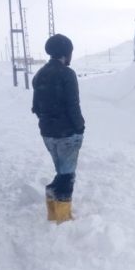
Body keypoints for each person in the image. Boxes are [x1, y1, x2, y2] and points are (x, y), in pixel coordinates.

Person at [31, 34, 85, 222]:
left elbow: (35, 107)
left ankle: (53, 211)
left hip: (47, 134)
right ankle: (62, 219)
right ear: (65, 53)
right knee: (67, 176)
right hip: (67, 134)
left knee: (62, 172)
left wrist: (47, 123)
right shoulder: (67, 74)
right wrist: (80, 127)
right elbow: (73, 105)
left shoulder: (39, 75)